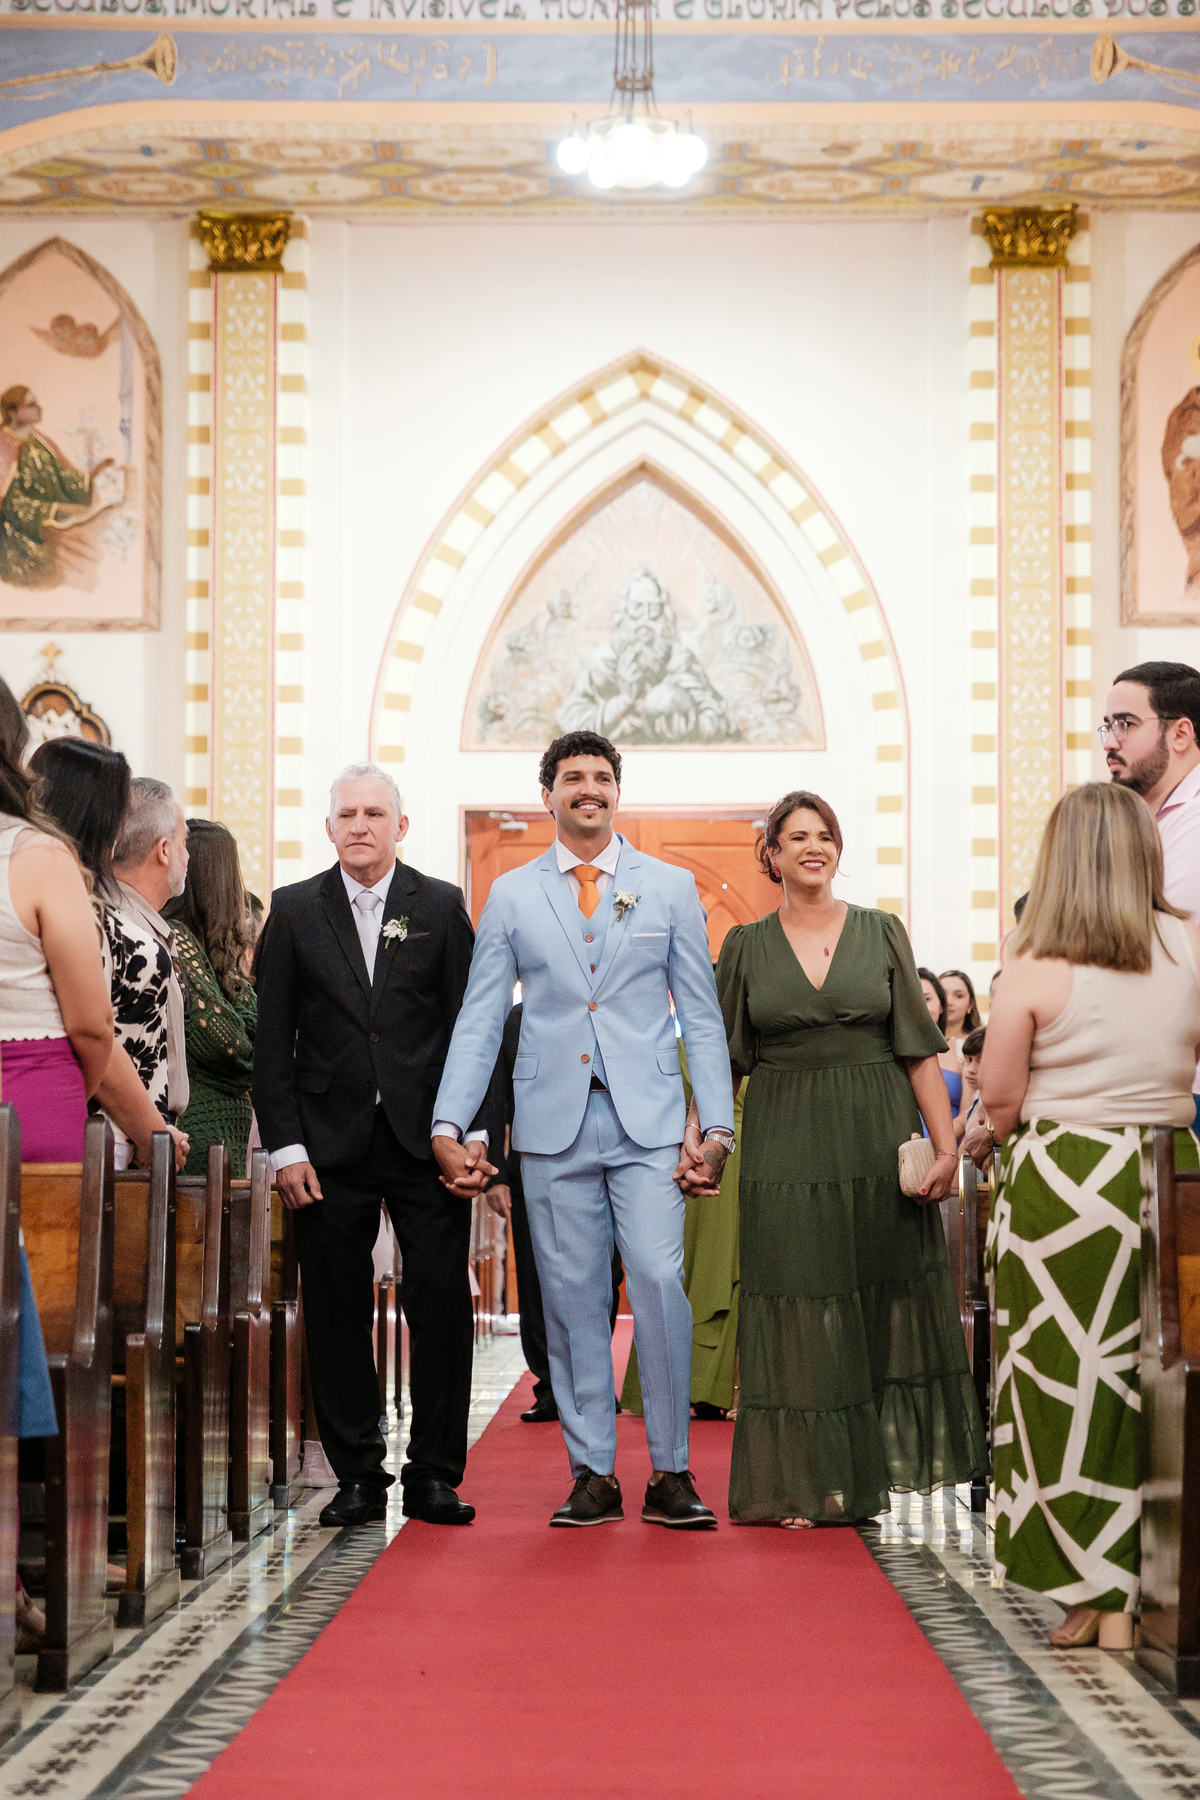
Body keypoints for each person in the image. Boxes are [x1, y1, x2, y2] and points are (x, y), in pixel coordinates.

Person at [433, 730, 734, 1529]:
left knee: (661, 1283)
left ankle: (671, 1469)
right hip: (550, 1123)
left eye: (601, 777)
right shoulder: (512, 894)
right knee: (569, 1298)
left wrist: (719, 1128)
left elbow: (700, 1017)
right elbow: (478, 1017)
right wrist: (451, 1120)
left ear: (616, 792)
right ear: (549, 795)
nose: (588, 789)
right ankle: (592, 1471)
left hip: (650, 1120)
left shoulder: (666, 888)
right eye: (573, 777)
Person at [701, 790, 985, 1526]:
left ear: (839, 847)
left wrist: (947, 1146)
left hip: (874, 1135)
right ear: (772, 855)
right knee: (798, 1308)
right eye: (795, 837)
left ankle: (865, 1478)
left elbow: (920, 1052)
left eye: (823, 834)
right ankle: (801, 1482)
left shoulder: (882, 930)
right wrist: (704, 1142)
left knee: (871, 1302)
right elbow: (722, 1062)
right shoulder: (745, 947)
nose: (811, 847)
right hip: (786, 1142)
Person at [980, 781, 1200, 1650]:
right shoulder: (1188, 945)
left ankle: (1089, 1594)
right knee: (1162, 1387)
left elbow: (999, 1097)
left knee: (1059, 1386)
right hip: (1168, 1175)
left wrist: (979, 1141)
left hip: (1063, 1181)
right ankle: (1157, 1588)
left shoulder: (1032, 959)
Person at [253, 763, 499, 1529]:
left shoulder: (441, 904)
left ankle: (433, 1473)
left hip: (429, 1140)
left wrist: (474, 1131)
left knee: (439, 1302)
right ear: (329, 828)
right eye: (347, 814)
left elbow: (475, 1026)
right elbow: (272, 1044)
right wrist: (286, 1148)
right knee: (334, 1306)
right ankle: (358, 1470)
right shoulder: (294, 911)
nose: (360, 825)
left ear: (401, 826)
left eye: (374, 813)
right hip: (327, 1147)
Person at [0, 678, 114, 1650]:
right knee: (19, 1317)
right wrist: (154, 1128)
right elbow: (88, 1021)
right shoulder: (37, 856)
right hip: (26, 1099)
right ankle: (21, 1569)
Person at [29, 741, 188, 1170]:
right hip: (97, 1128)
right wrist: (149, 1130)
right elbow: (95, 1032)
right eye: (119, 807)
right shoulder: (76, 900)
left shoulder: (53, 884)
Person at [487, 1001, 625, 1425]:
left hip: (613, 1153)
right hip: (533, 1157)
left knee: (606, 1270)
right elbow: (496, 1096)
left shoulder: (609, 1009)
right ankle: (549, 1385)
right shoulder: (518, 1019)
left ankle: (594, 1379)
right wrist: (495, 1173)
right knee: (537, 1275)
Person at [622, 1038, 742, 1420]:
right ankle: (720, 1386)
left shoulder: (682, 1047)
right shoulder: (682, 1048)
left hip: (698, 1158)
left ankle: (696, 1385)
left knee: (697, 1268)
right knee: (707, 1267)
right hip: (702, 1158)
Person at [1104, 661, 1200, 1117]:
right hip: (1150, 1079)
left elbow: (1151, 938)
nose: (1110, 741)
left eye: (1126, 724)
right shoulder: (1140, 823)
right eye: (1106, 726)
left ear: (1180, 733)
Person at [165, 820, 256, 1177]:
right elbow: (233, 1046)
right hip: (198, 1130)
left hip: (223, 1132)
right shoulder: (176, 938)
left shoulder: (221, 963)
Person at [919, 967, 962, 1124]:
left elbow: (970, 1110)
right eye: (911, 1000)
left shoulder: (961, 1050)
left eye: (926, 999)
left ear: (941, 1005)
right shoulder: (888, 1052)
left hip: (953, 1142)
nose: (919, 1007)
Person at [939, 968, 981, 1051]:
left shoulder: (982, 1043)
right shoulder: (920, 1041)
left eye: (958, 996)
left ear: (971, 1004)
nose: (949, 1002)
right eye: (943, 994)